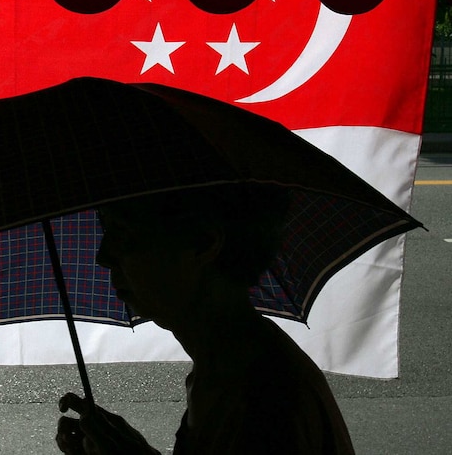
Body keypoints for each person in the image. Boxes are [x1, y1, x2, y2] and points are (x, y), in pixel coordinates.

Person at [55, 184, 355, 454]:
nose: (103, 256)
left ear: (203, 243)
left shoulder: (259, 400)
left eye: (124, 232)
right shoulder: (231, 365)